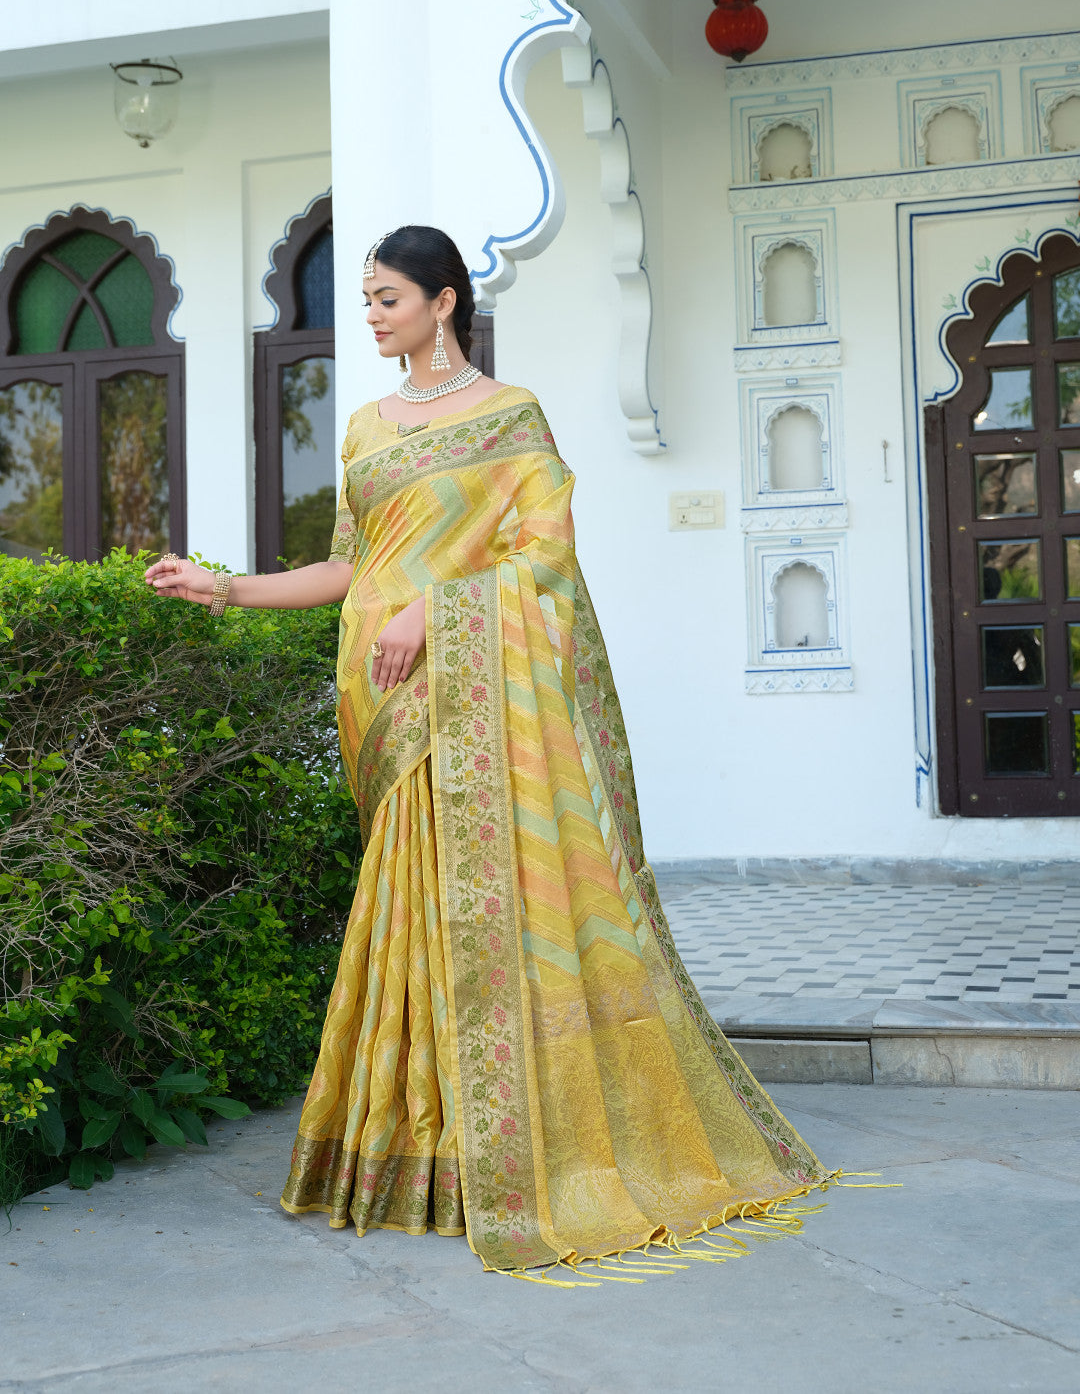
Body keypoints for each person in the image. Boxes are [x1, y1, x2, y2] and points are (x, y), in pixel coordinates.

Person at [145, 224, 826, 1275]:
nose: (368, 315)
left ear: (444, 301)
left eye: (384, 298)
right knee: (407, 908)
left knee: (492, 908)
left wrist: (440, 609)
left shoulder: (511, 418)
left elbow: (544, 557)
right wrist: (224, 587)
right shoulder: (368, 429)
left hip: (472, 698)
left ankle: (511, 1152)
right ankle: (414, 1147)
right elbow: (344, 568)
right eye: (363, 300)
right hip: (380, 702)